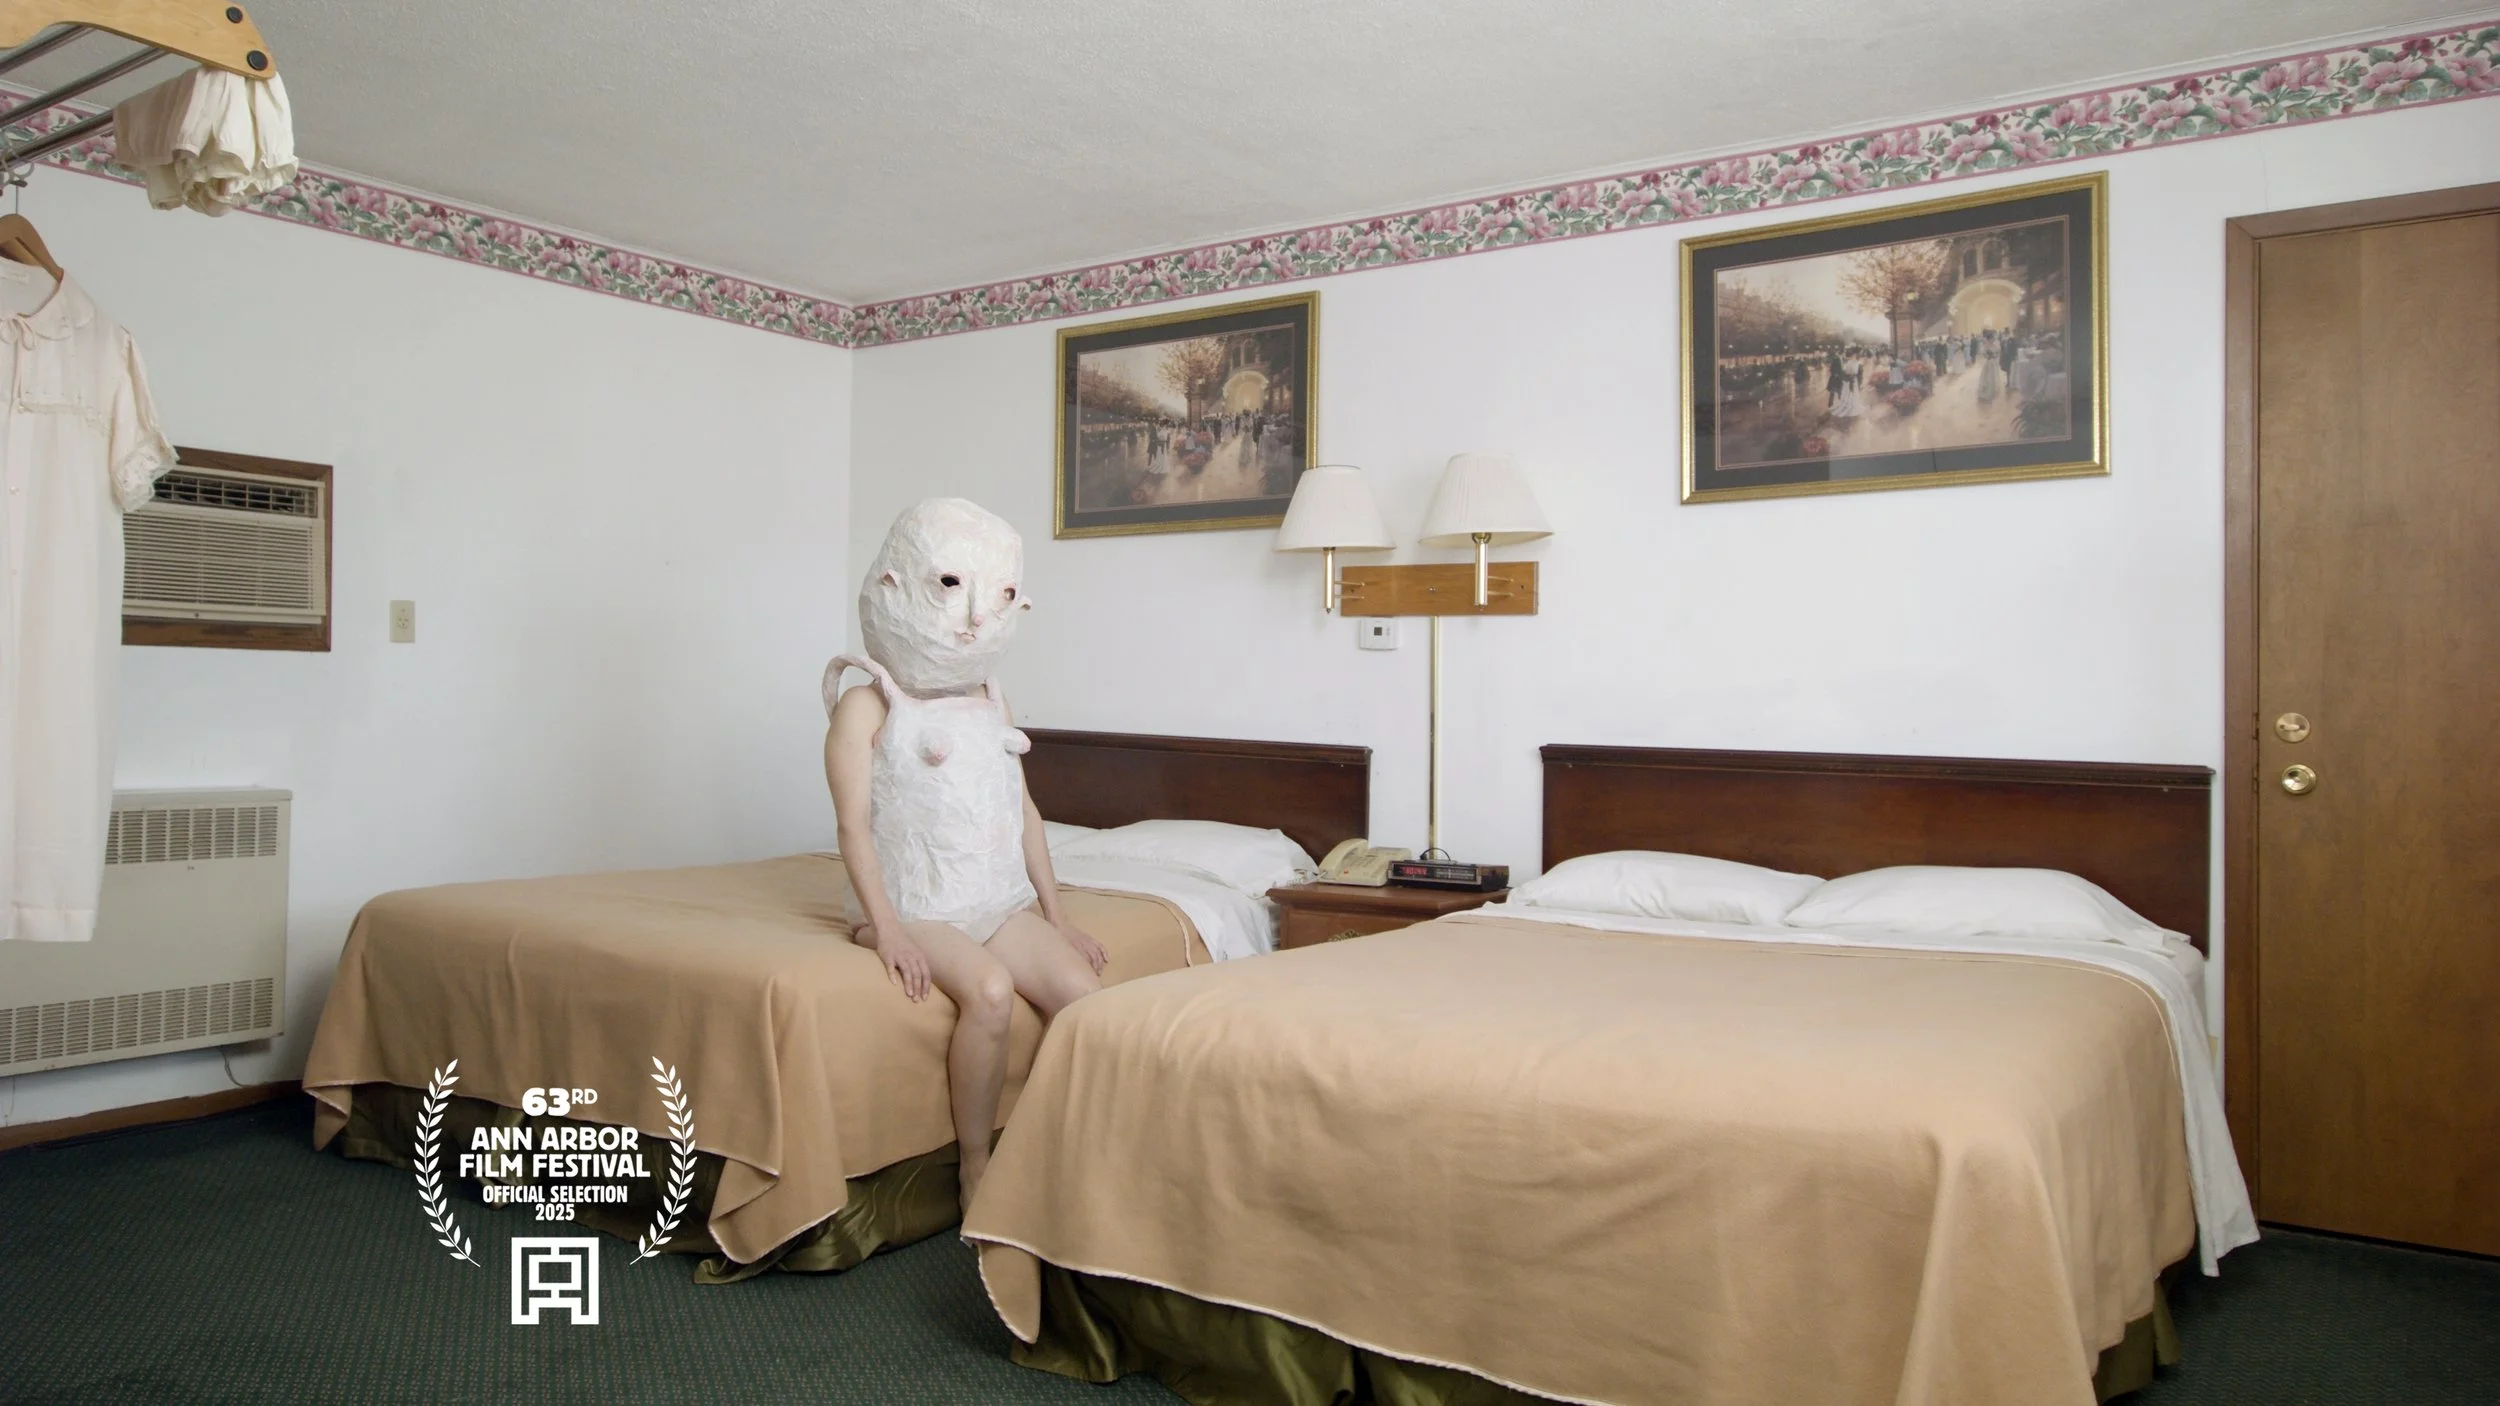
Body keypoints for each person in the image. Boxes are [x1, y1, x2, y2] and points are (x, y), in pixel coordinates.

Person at [823, 498, 1106, 1213]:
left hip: (992, 900)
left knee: (1086, 1001)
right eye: (949, 585)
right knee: (990, 992)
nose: (976, 617)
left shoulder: (989, 702)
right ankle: (975, 1164)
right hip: (913, 906)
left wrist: (1057, 917)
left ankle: (1050, 1147)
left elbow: (1023, 812)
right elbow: (853, 828)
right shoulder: (867, 705)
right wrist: (887, 930)